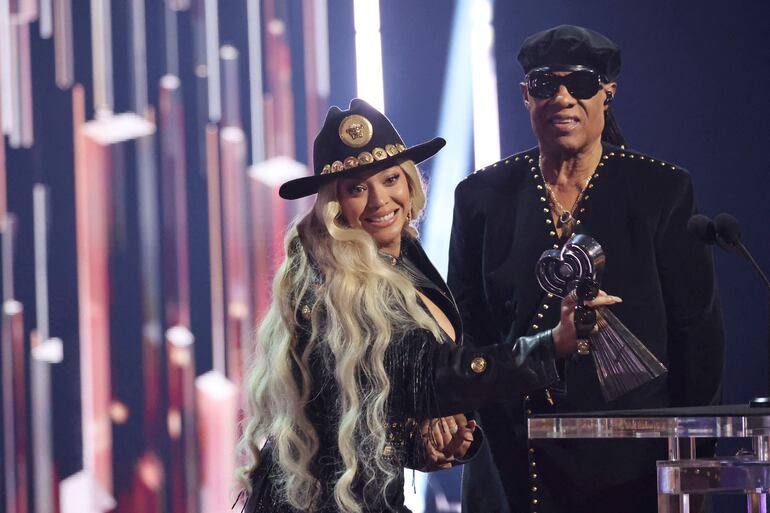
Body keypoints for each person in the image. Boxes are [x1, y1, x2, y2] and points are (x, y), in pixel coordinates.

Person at [237, 98, 619, 513]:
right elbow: (434, 372)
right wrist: (552, 343)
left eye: (390, 179)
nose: (380, 200)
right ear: (335, 206)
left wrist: (425, 445)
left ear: (409, 182)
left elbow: (375, 406)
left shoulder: (400, 262)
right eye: (357, 188)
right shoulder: (338, 283)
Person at [449, 25, 726, 513]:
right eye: (544, 85)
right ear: (524, 96)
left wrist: (696, 460)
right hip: (518, 458)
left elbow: (697, 335)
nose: (561, 98)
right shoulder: (480, 198)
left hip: (633, 463)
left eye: (579, 84)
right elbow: (465, 328)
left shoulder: (661, 190)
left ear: (607, 94)